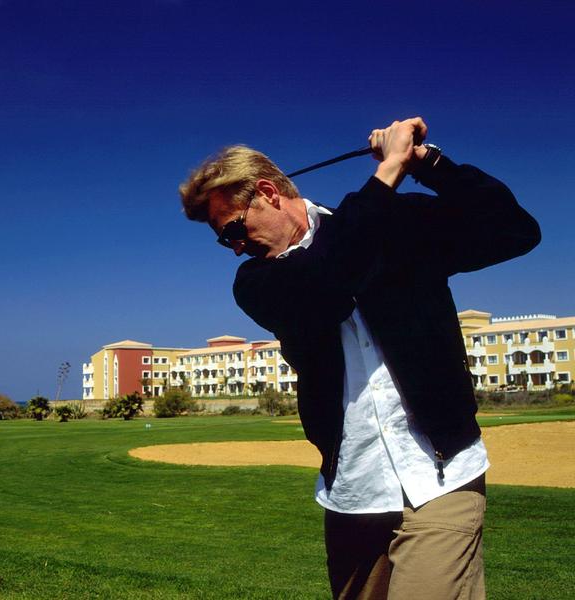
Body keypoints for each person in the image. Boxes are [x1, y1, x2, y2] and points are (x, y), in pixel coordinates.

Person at [178, 117, 540, 599]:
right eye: (225, 240)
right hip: (354, 492)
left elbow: (514, 230)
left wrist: (426, 163)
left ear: (267, 192)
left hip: (442, 474)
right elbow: (332, 278)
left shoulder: (396, 225)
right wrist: (386, 172)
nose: (235, 247)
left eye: (233, 230)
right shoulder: (257, 284)